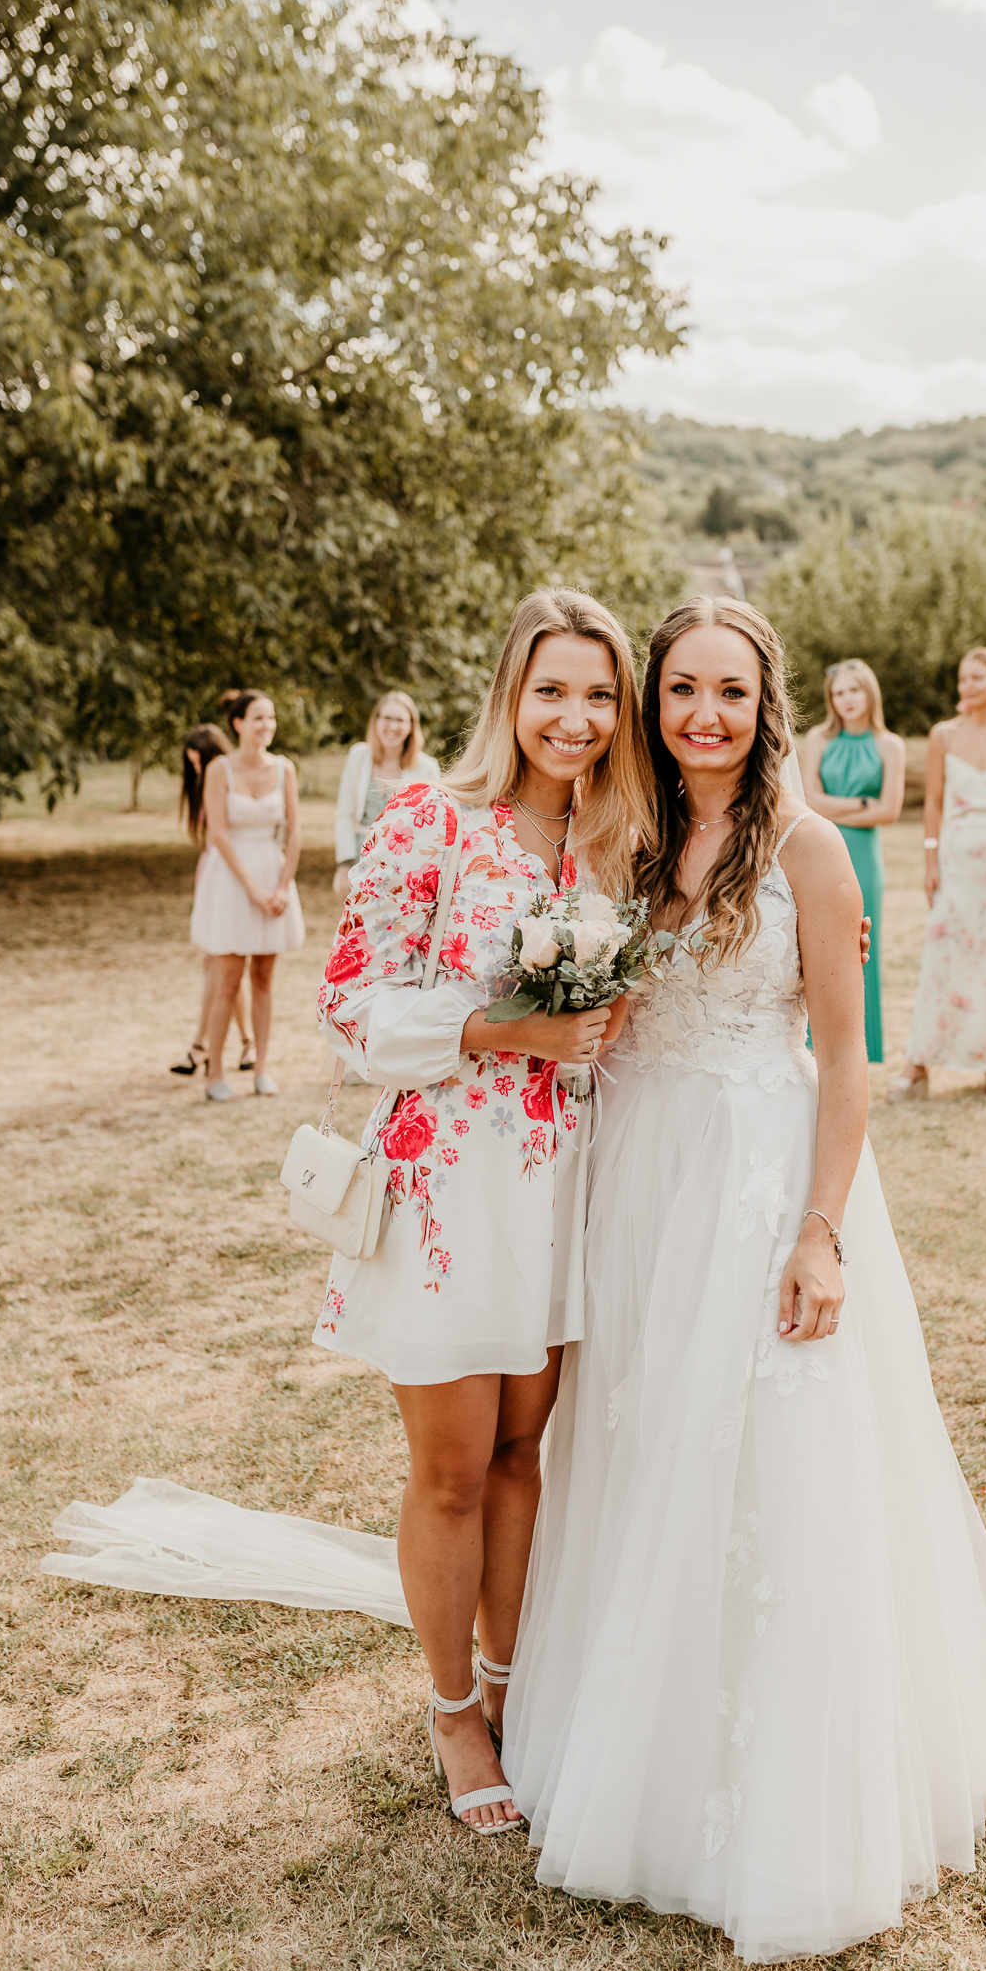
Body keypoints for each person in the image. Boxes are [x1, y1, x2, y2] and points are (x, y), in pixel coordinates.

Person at [502, 597, 986, 1963]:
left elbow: (843, 1057)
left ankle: (774, 1774)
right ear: (651, 701)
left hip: (761, 1179)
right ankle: (622, 1722)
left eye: (729, 690)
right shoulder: (621, 835)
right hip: (638, 1175)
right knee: (641, 1438)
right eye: (679, 689)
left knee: (770, 1448)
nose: (702, 714)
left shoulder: (809, 848)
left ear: (767, 703)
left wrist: (819, 1231)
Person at [313, 589, 655, 1833]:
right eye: (551, 689)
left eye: (600, 694)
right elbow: (347, 1004)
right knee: (454, 1468)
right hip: (450, 1188)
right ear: (510, 692)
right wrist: (503, 1029)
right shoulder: (432, 819)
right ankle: (453, 1709)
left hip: (567, 1185)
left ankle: (514, 1684)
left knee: (525, 1453)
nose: (575, 717)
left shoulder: (619, 842)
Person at [887, 647, 986, 1101]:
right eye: (963, 678)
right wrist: (930, 858)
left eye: (978, 677)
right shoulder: (944, 735)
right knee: (944, 954)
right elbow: (933, 801)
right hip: (957, 863)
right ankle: (918, 1064)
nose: (968, 685)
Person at [190, 689, 305, 1101]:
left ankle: (261, 1069)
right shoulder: (219, 769)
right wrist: (253, 890)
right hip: (232, 879)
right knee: (227, 979)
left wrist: (282, 886)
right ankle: (215, 1074)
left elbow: (294, 831)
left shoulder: (284, 769)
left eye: (271, 718)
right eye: (258, 718)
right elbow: (218, 835)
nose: (267, 725)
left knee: (264, 978)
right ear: (238, 724)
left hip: (273, 873)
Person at [799, 659, 905, 1063]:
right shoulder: (818, 740)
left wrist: (833, 807)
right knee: (812, 944)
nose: (847, 699)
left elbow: (889, 811)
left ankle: (856, 1051)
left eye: (854, 690)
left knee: (860, 947)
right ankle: (808, 1046)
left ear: (869, 693)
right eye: (839, 693)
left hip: (864, 855)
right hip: (816, 851)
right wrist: (862, 803)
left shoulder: (889, 745)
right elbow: (808, 801)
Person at [170, 724, 254, 1079]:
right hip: (212, 875)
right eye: (193, 765)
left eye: (201, 762)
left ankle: (203, 1044)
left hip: (232, 872)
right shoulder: (206, 782)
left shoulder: (230, 778)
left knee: (223, 964)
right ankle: (242, 1041)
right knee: (219, 963)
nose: (199, 770)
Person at [333, 692, 441, 899]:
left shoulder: (427, 768)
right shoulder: (358, 755)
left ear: (411, 726)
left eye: (400, 720)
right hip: (360, 858)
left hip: (403, 863)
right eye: (387, 718)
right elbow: (344, 813)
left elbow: (431, 826)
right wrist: (344, 863)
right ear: (376, 721)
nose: (392, 726)